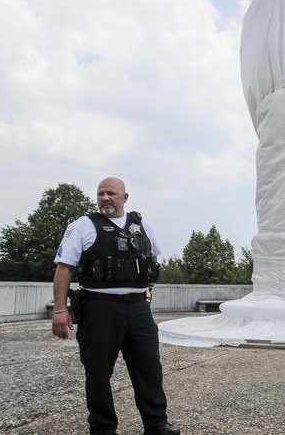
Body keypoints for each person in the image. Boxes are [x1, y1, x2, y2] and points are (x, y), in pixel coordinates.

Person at [51, 177, 179, 435]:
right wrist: (60, 309)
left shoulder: (141, 225)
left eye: (111, 193)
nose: (105, 198)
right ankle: (103, 428)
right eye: (101, 194)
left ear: (125, 197)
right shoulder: (83, 226)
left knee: (149, 369)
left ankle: (156, 424)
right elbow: (64, 268)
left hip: (139, 307)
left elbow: (153, 257)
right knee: (98, 372)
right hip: (100, 309)